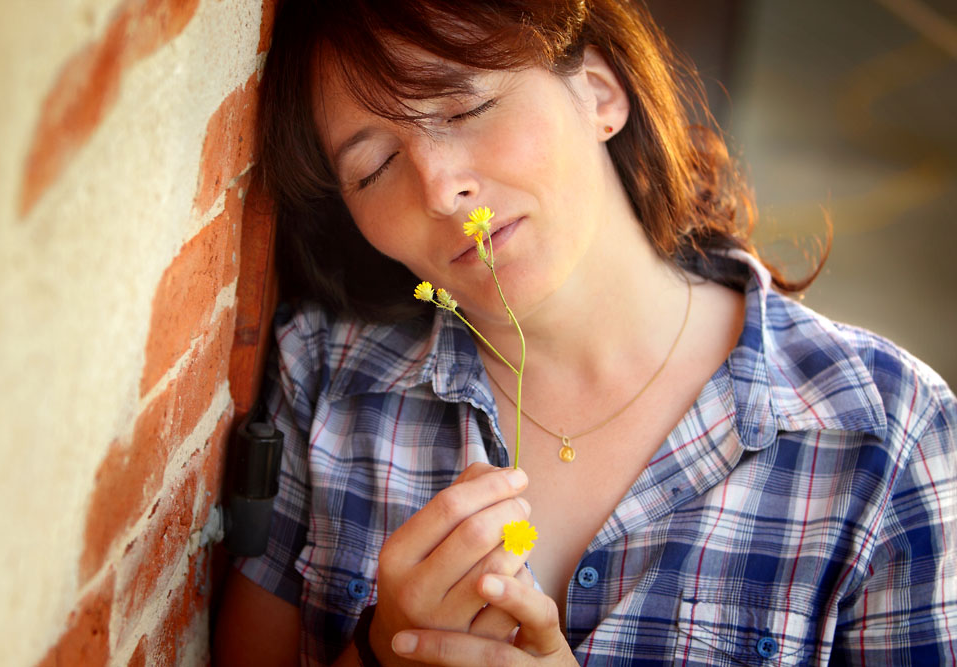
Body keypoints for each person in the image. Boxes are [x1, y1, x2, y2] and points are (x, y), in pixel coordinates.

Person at [213, 0, 957, 664]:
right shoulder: (330, 374)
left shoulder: (885, 434)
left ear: (599, 93)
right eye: (375, 166)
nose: (440, 188)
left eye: (464, 105)